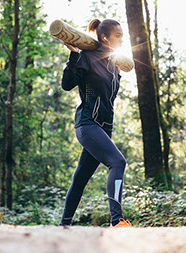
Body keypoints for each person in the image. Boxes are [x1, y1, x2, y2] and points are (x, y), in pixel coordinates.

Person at [59, 18, 132, 228]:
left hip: (103, 128)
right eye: (118, 36)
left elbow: (108, 98)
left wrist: (118, 77)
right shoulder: (87, 56)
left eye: (122, 36)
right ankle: (117, 220)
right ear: (104, 37)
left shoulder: (112, 63)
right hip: (87, 123)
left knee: (81, 178)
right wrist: (73, 55)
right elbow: (67, 84)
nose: (121, 39)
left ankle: (64, 225)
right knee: (118, 162)